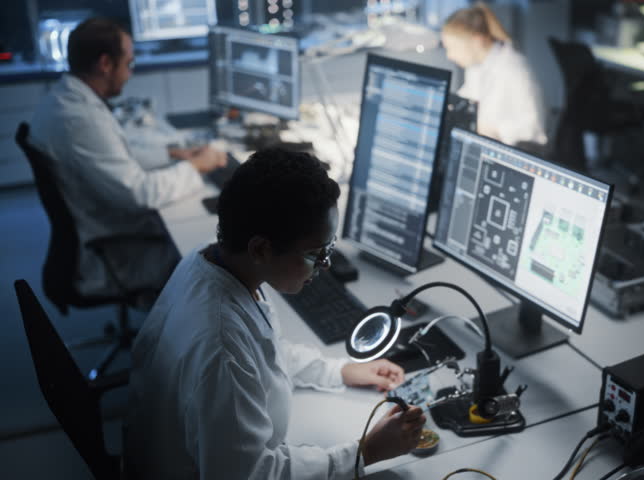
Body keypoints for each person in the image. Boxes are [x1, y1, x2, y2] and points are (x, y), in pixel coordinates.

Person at [125, 147, 427, 479]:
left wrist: (340, 371)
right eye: (316, 252)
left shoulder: (214, 261)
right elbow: (251, 475)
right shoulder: (220, 344)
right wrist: (365, 451)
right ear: (261, 249)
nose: (325, 265)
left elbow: (261, 351)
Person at [28, 18, 226, 303]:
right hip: (113, 249)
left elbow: (113, 153)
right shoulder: (79, 119)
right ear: (105, 64)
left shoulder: (67, 99)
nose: (130, 74)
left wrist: (172, 154)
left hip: (103, 222)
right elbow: (140, 193)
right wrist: (195, 166)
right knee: (208, 252)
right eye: (129, 64)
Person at [441, 3, 548, 147]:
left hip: (512, 150)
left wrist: (493, 129)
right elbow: (466, 101)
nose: (450, 56)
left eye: (453, 48)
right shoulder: (476, 67)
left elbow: (533, 130)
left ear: (477, 41)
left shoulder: (513, 68)